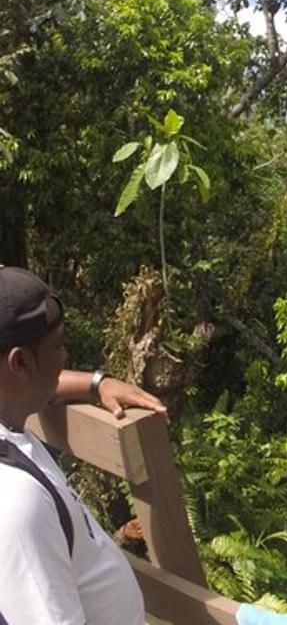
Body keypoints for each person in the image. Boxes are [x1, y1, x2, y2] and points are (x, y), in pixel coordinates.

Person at [0, 266, 167, 625]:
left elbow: (41, 385)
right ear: (20, 363)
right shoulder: (15, 503)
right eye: (58, 345)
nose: (64, 358)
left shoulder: (9, 420)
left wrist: (97, 383)